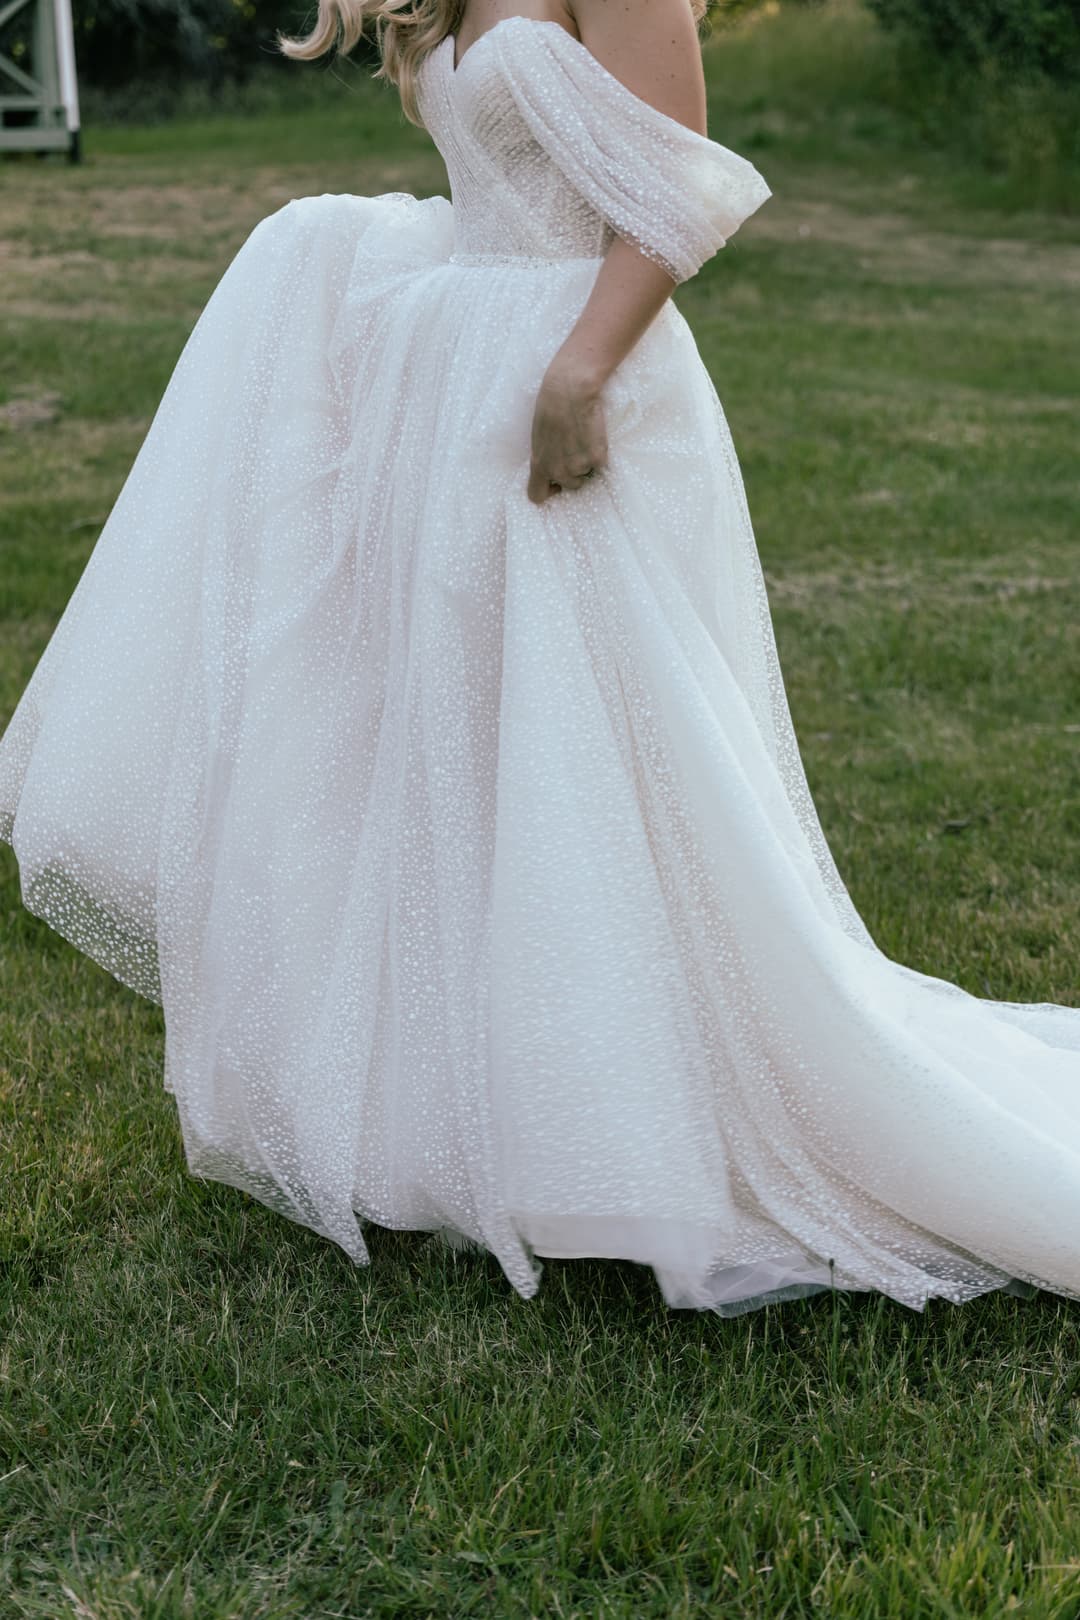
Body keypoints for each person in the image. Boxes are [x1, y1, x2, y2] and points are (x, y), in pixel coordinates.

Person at [2, 0, 1078, 1318]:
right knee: (459, 753)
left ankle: (653, 1124)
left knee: (597, 754)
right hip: (453, 382)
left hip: (579, 380)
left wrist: (579, 369)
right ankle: (488, 1130)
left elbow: (678, 182)